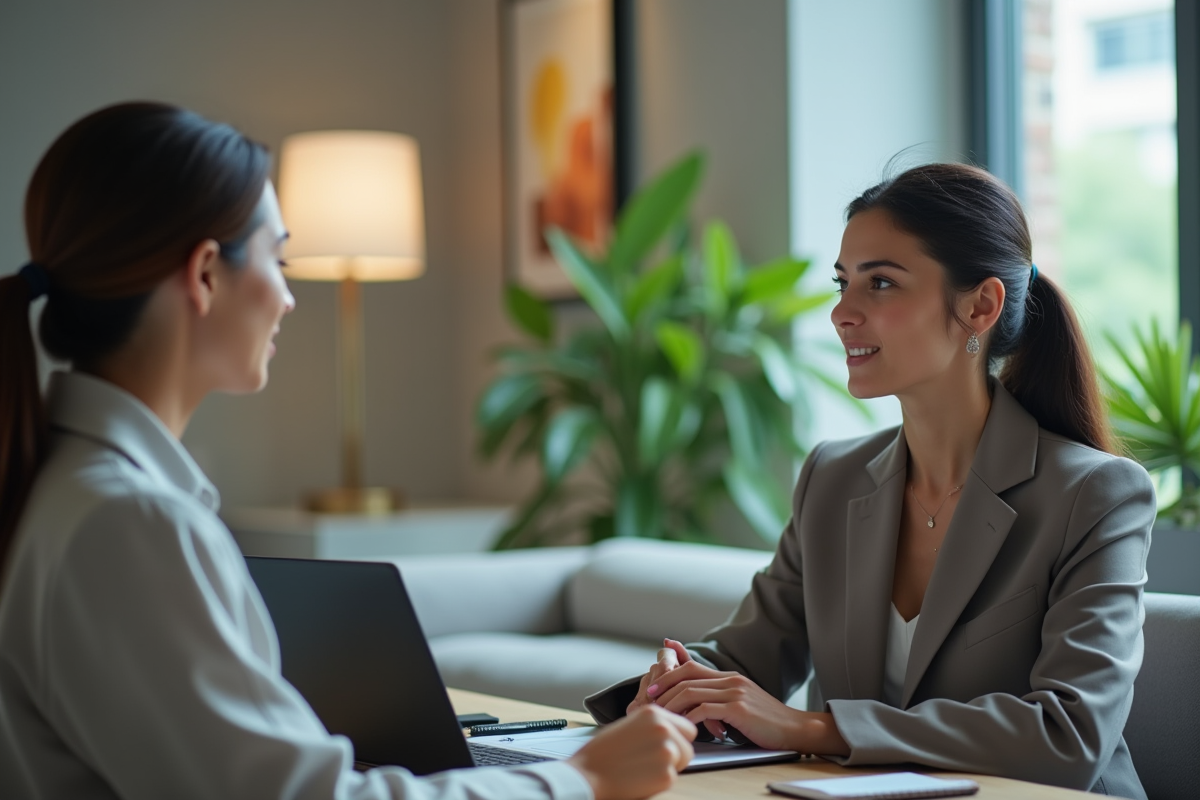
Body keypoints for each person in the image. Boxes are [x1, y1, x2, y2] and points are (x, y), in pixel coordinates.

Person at [0, 101, 695, 800]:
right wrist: (579, 779)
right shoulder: (129, 522)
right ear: (205, 274)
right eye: (278, 259)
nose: (288, 298)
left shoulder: (61, 488)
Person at [584, 163, 1154, 799]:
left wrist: (816, 728)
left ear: (980, 306)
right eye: (842, 282)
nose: (841, 313)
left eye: (880, 283)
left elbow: (1068, 737)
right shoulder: (832, 479)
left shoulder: (1095, 495)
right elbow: (749, 657)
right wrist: (678, 682)